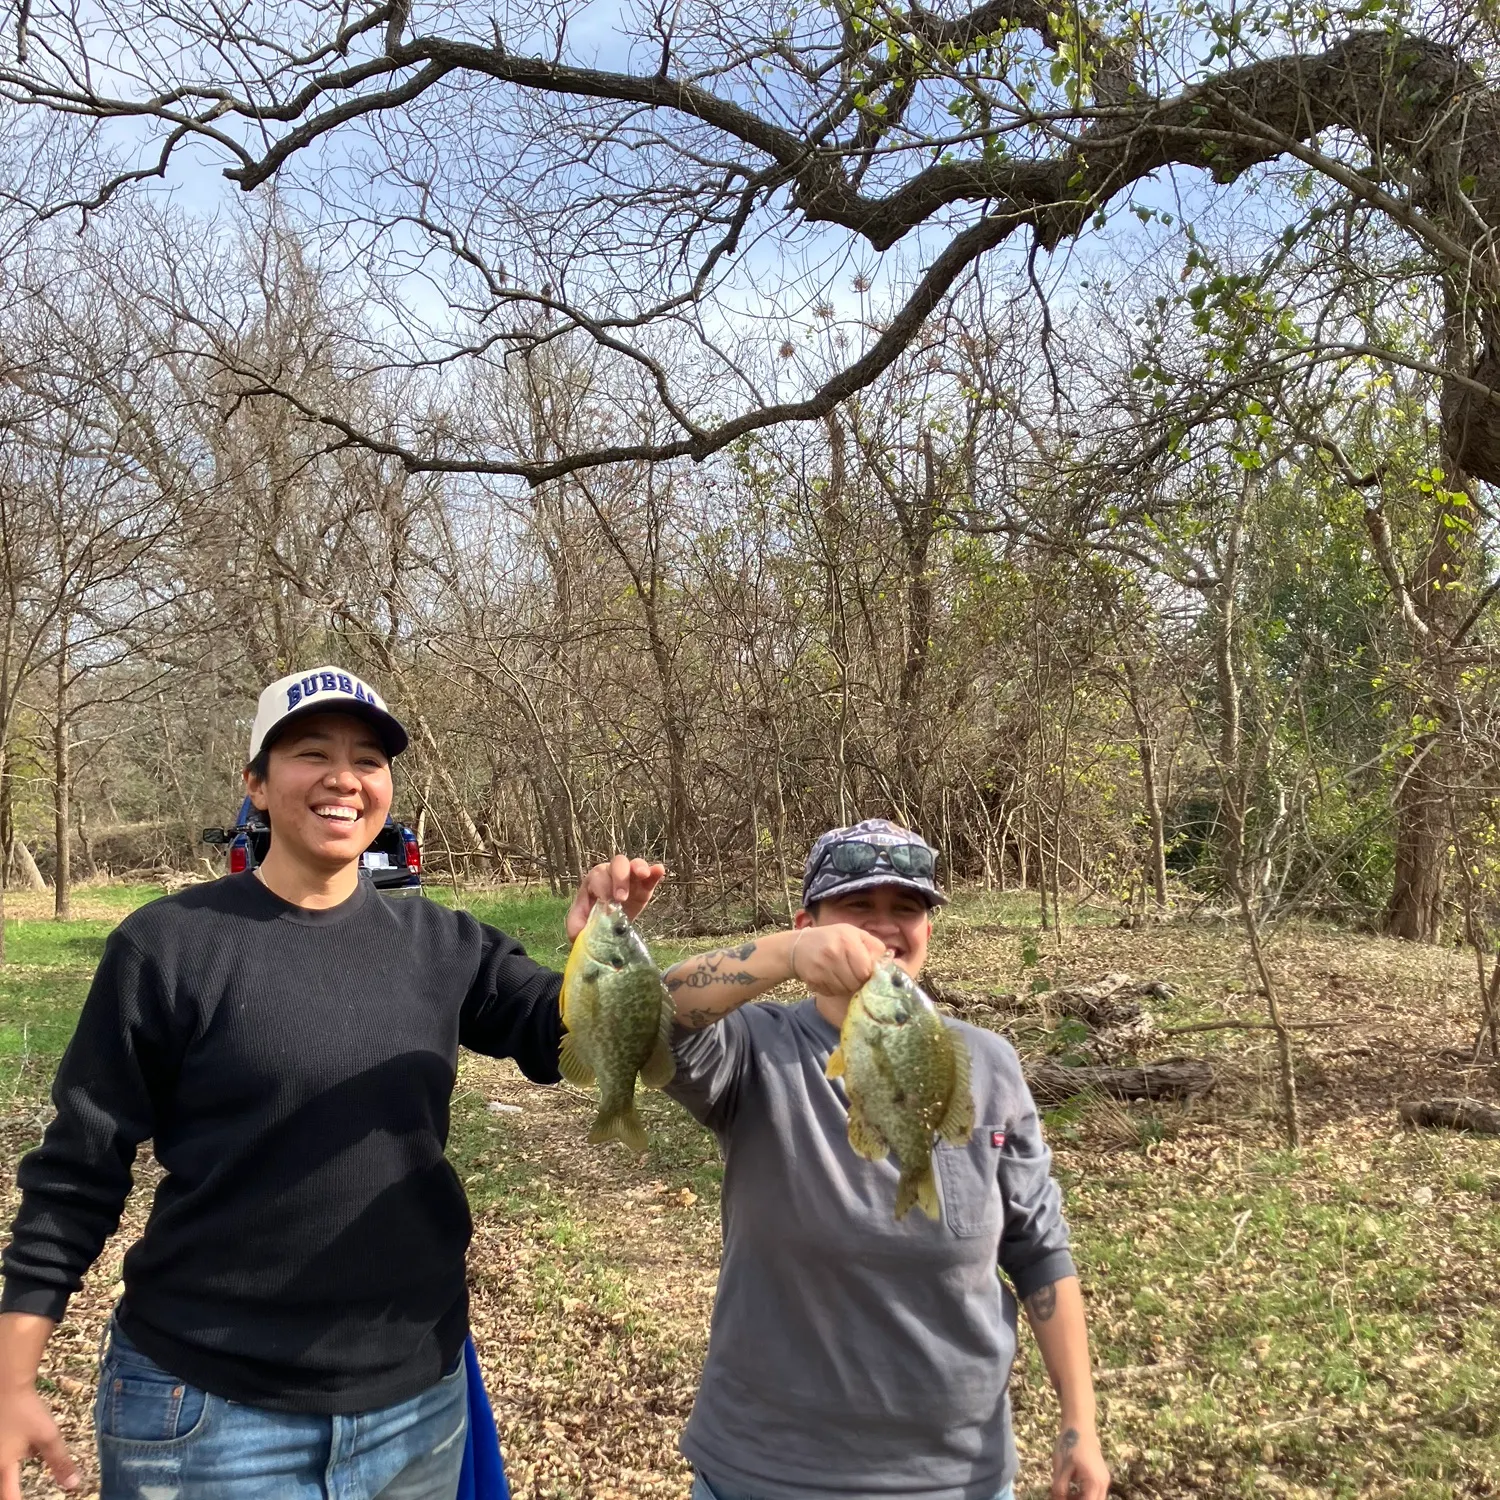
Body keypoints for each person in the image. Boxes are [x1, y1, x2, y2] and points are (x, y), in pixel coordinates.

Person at [0, 666, 663, 1500]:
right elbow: (76, 1172)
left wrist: (742, 959)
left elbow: (570, 1026)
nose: (345, 777)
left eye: (369, 760)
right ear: (255, 785)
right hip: (209, 1413)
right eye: (312, 752)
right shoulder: (169, 946)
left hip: (414, 1408)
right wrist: (12, 1379)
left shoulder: (442, 943)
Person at [661, 818, 1109, 1500]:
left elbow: (1040, 1248)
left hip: (960, 1476)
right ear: (808, 920)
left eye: (907, 909)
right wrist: (785, 954)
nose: (884, 928)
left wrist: (1080, 1421)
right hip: (768, 1471)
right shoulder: (757, 1049)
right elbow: (654, 1016)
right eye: (857, 907)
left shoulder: (986, 1063)